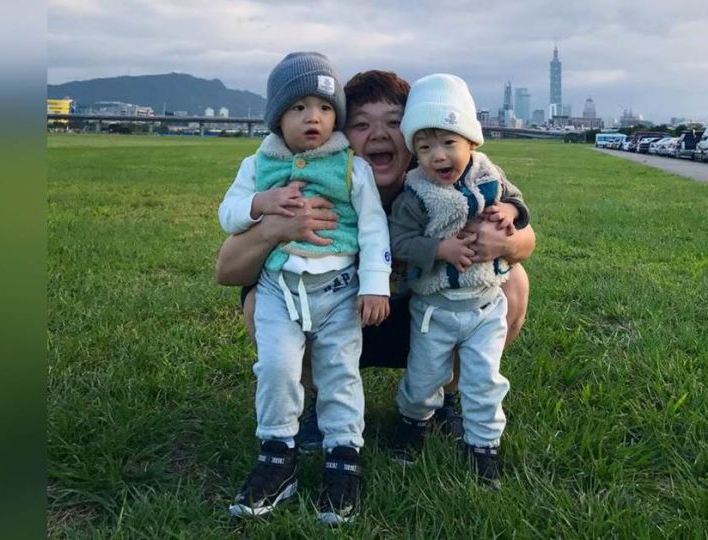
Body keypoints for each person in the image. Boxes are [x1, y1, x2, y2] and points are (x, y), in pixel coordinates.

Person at [213, 69, 535, 456]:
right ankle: (320, 398)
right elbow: (227, 271)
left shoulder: (442, 177)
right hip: (340, 317)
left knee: (514, 283)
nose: (379, 135)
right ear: (341, 133)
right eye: (362, 125)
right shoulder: (320, 184)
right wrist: (275, 228)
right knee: (258, 299)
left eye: (394, 123)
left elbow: (525, 239)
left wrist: (504, 239)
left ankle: (444, 396)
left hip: (426, 320)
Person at [219, 52, 390, 525]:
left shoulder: (351, 167)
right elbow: (228, 213)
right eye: (298, 107)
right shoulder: (258, 164)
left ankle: (344, 456)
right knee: (276, 368)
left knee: (340, 373)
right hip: (279, 289)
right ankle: (277, 453)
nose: (313, 117)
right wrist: (261, 203)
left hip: (339, 290)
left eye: (324, 107)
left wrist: (375, 285)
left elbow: (373, 228)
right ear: (277, 116)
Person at [388, 74, 527, 488]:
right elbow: (398, 242)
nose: (438, 156)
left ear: (471, 142)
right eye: (424, 147)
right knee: (423, 378)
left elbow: (517, 201)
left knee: (485, 380)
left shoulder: (490, 175)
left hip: (485, 305)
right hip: (435, 309)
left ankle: (483, 443)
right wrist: (439, 249)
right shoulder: (415, 195)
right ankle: (414, 422)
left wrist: (510, 213)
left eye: (449, 142)